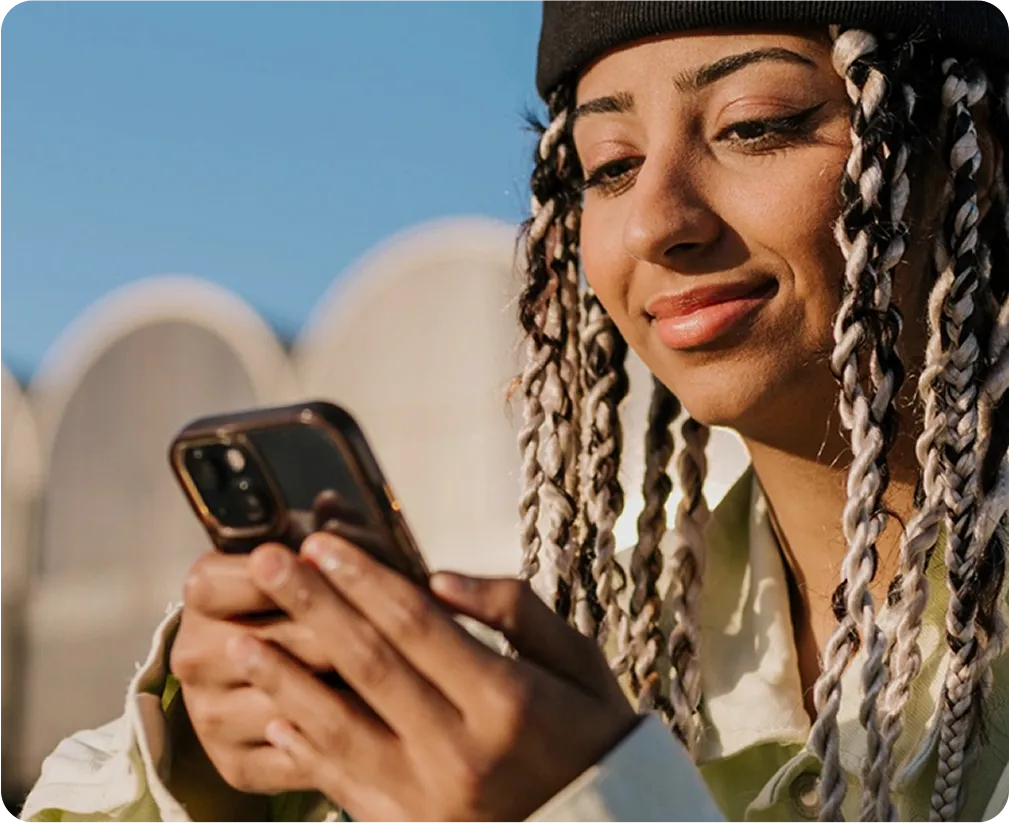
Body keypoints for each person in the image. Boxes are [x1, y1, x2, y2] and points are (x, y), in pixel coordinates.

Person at [19, 0, 1009, 821]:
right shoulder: (598, 654)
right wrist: (221, 778)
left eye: (754, 125)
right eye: (609, 165)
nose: (658, 219)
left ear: (977, 154)